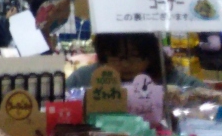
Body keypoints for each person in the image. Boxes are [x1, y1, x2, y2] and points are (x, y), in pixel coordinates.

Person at [67, 33, 202, 89]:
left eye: (134, 56)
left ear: (152, 55)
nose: (125, 64)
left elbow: (204, 93)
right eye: (116, 57)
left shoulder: (171, 81)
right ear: (103, 56)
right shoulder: (83, 80)